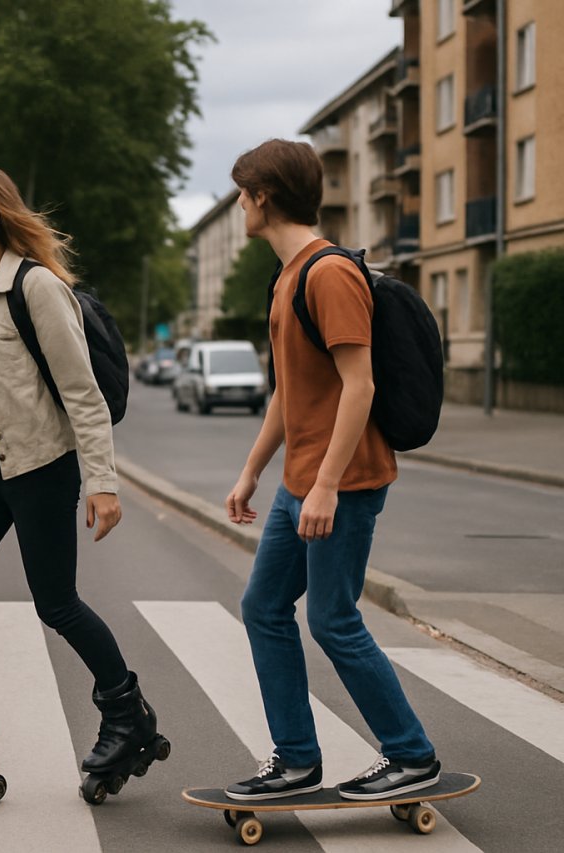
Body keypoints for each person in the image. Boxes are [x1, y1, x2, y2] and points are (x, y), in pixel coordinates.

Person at [0, 164, 162, 787]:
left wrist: (102, 482)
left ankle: (128, 716)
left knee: (56, 603)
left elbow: (83, 394)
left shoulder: (36, 288)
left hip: (42, 468)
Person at [223, 139, 439, 801]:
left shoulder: (328, 274)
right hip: (300, 485)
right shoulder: (286, 276)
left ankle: (412, 755)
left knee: (334, 619)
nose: (239, 205)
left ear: (264, 197)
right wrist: (252, 471)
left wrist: (325, 485)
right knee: (264, 608)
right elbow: (289, 391)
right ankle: (296, 759)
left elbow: (360, 385)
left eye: (242, 194)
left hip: (342, 485)